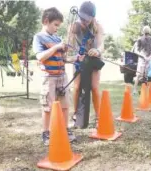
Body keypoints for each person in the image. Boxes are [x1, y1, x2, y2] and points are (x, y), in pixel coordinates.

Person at [32, 7, 76, 145]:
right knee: (48, 107)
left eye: (59, 25)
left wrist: (77, 58)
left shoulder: (57, 38)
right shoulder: (39, 37)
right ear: (46, 21)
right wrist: (56, 47)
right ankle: (46, 133)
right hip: (49, 78)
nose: (57, 28)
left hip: (62, 77)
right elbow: (40, 57)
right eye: (55, 25)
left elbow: (64, 59)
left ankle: (65, 129)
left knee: (65, 105)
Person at [68, 1, 104, 126]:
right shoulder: (75, 26)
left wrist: (97, 50)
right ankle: (75, 115)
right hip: (80, 59)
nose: (83, 21)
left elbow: (101, 44)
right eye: (81, 17)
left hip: (94, 60)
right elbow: (70, 45)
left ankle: (99, 118)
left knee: (94, 87)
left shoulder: (98, 26)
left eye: (87, 19)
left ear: (93, 18)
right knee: (77, 87)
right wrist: (76, 55)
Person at [133, 26, 151, 95]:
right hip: (141, 59)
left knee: (148, 75)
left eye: (147, 34)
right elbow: (136, 50)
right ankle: (134, 90)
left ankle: (147, 90)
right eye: (145, 34)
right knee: (139, 74)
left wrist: (149, 57)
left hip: (149, 58)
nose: (146, 35)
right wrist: (143, 56)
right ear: (143, 32)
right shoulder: (139, 39)